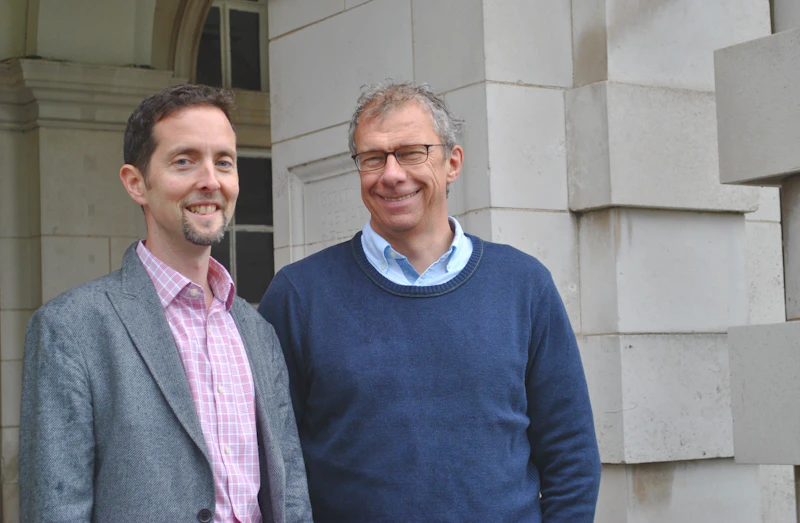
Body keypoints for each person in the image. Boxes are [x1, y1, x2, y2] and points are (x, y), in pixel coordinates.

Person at [258, 80, 602, 521]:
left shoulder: (524, 285)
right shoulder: (298, 296)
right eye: (373, 157)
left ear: (452, 162)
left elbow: (571, 454)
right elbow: (273, 462)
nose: (392, 174)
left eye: (411, 153)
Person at [19, 84, 311, 523]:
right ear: (136, 183)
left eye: (224, 162)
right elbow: (55, 508)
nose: (210, 180)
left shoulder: (257, 331)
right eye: (184, 161)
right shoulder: (71, 329)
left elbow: (291, 497)